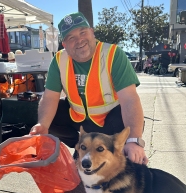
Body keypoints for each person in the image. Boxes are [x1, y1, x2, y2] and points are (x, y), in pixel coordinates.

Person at [30, 12, 148, 165]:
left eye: (83, 32)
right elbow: (49, 97)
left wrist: (134, 140)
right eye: (71, 38)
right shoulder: (59, 60)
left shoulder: (113, 54)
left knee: (124, 150)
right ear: (64, 45)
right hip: (81, 120)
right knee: (51, 115)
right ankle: (82, 148)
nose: (79, 40)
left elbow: (129, 99)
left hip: (111, 123)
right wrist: (43, 125)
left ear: (92, 33)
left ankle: (118, 152)